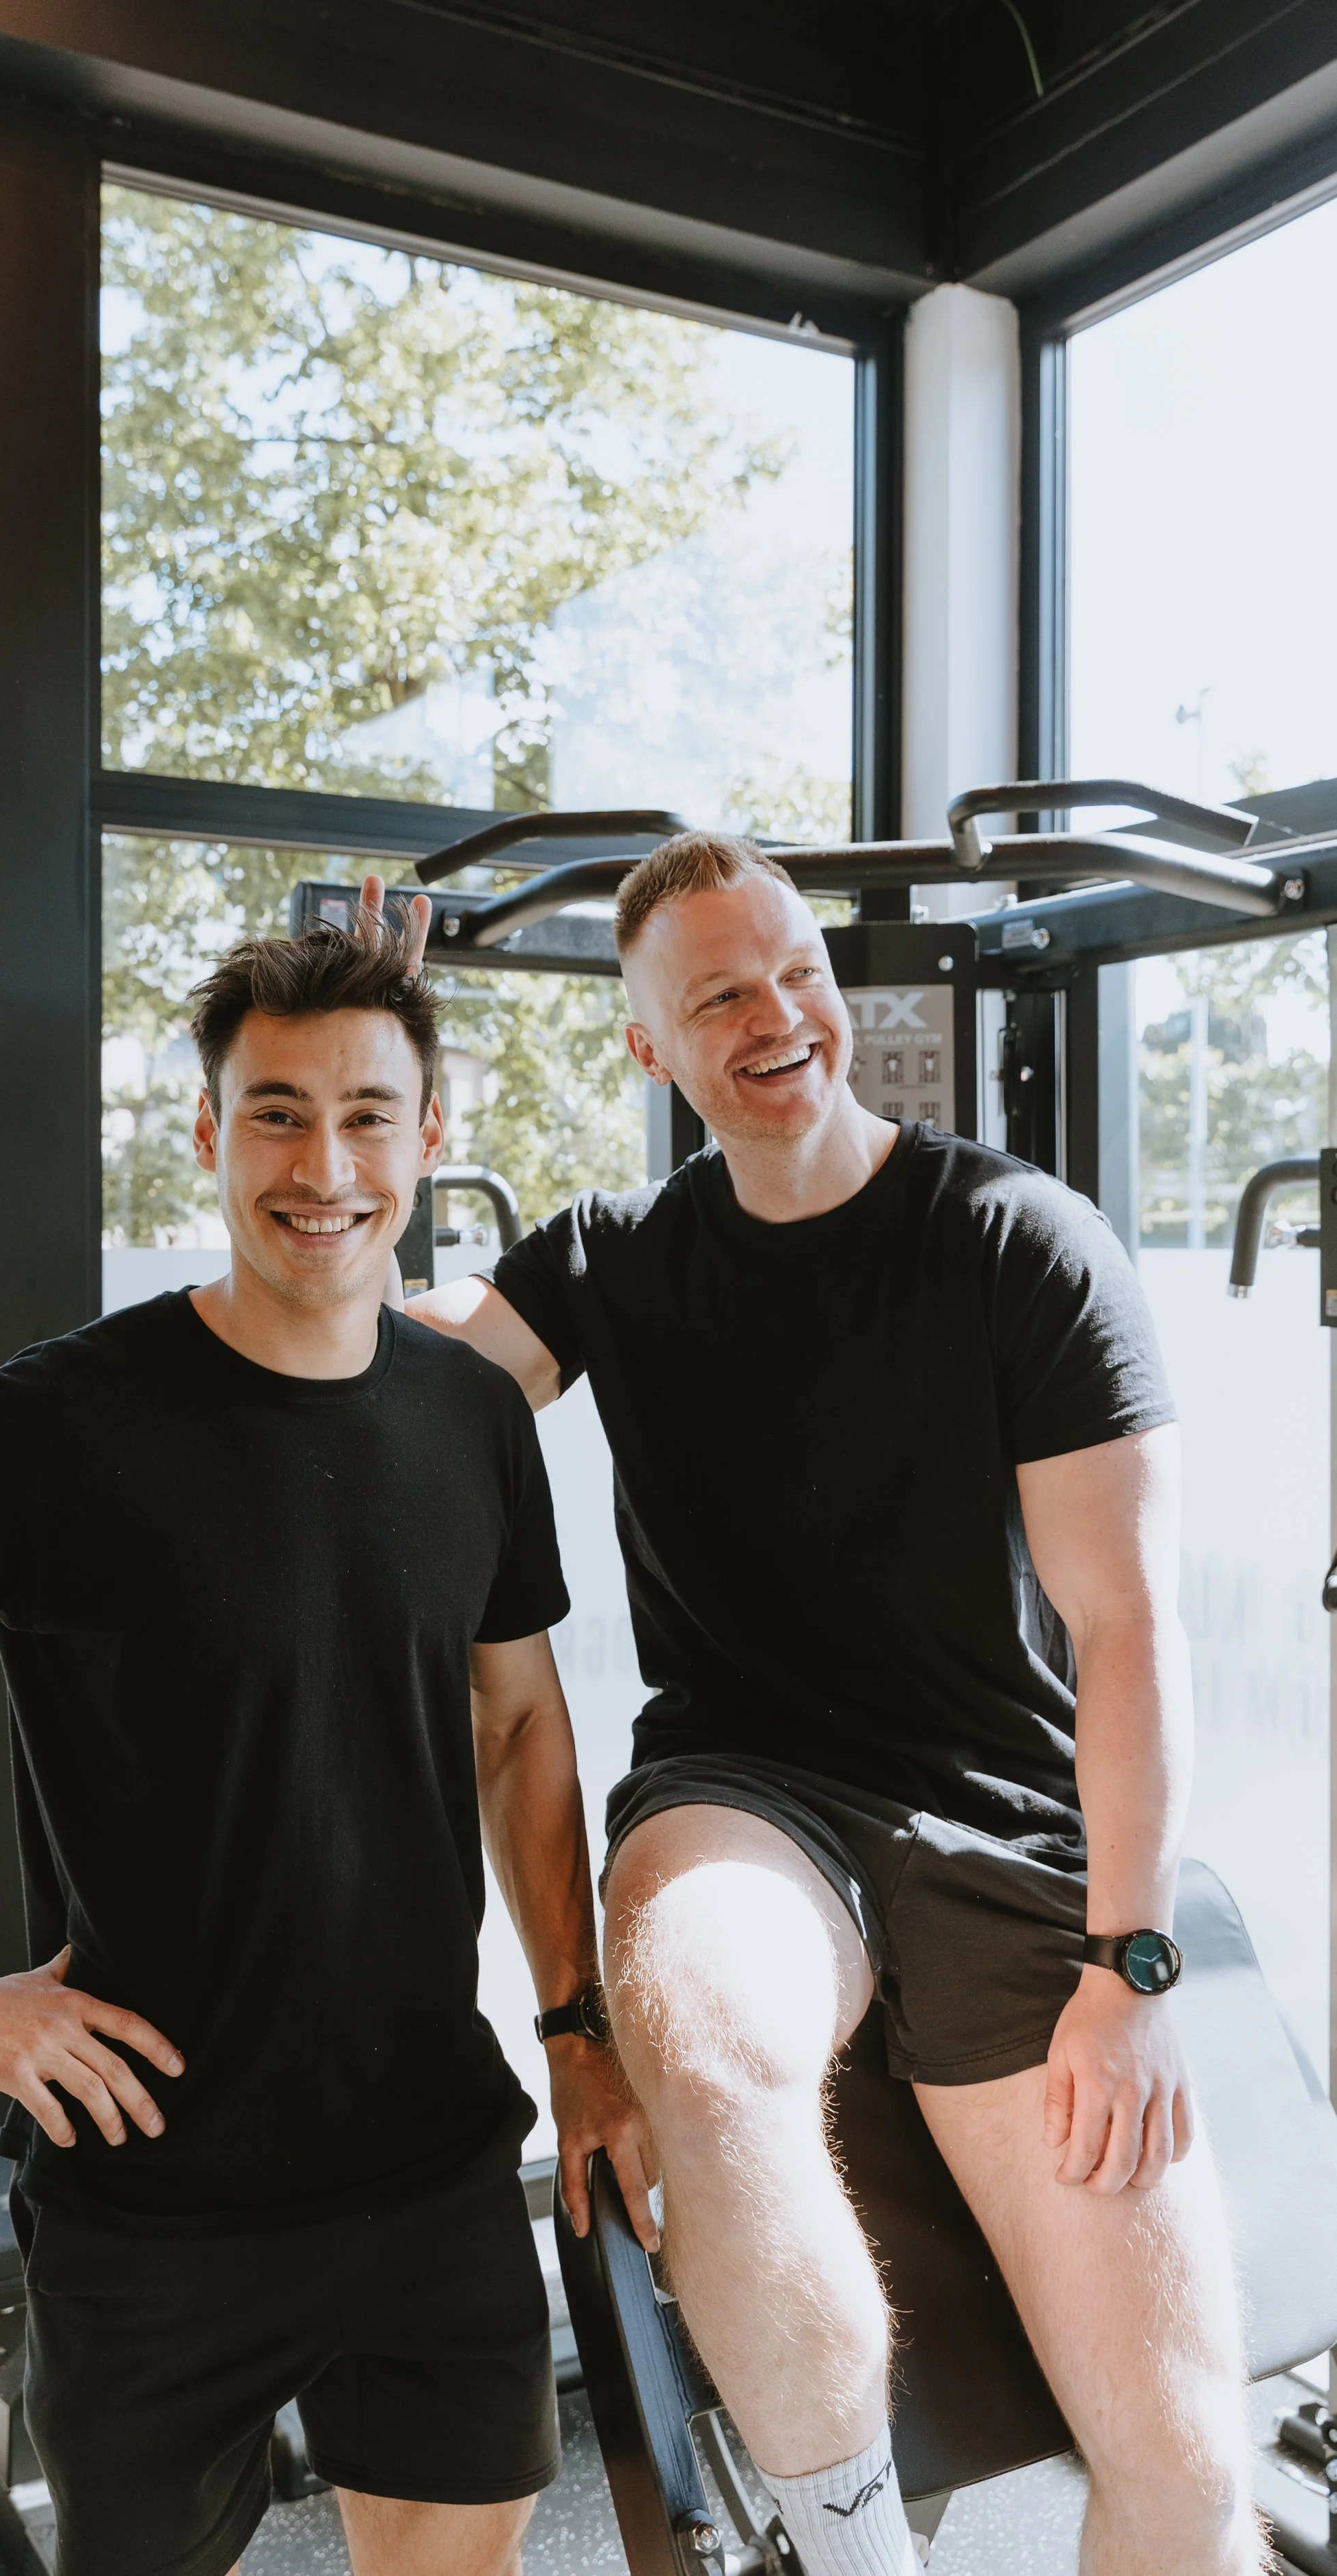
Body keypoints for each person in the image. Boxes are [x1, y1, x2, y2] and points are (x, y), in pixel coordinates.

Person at [0, 913, 647, 2576]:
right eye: (275, 1111)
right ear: (208, 1132)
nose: (323, 1162)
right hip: (151, 2187)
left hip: (430, 2159)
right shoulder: (54, 1425)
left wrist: (574, 2025)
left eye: (368, 1113)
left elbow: (517, 1722)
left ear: (431, 1139)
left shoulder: (472, 1421)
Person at [392, 834, 1261, 2576]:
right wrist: (354, 1120)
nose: (774, 1014)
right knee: (702, 2031)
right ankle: (856, 2556)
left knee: (1182, 2489)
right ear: (648, 1049)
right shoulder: (613, 1258)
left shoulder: (1019, 1243)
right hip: (746, 1799)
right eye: (716, 993)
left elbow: (1126, 1636)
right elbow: (386, 1394)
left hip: (1004, 1829)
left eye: (790, 970)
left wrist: (1129, 1967)